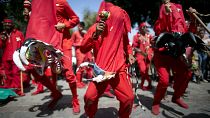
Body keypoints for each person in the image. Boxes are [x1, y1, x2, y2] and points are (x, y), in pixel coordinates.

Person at [80, 1, 135, 118]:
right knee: (89, 97)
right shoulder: (95, 28)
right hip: (101, 70)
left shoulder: (120, 29)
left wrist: (129, 53)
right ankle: (90, 115)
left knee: (128, 98)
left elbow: (126, 43)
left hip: (119, 68)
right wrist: (95, 34)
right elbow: (83, 48)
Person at [152, 0, 193, 115]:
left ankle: (176, 96)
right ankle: (156, 102)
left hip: (174, 54)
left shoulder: (180, 15)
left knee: (187, 73)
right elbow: (160, 30)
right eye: (165, 2)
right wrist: (165, 15)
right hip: (162, 55)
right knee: (164, 80)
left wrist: (193, 19)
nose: (169, 4)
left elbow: (187, 32)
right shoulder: (159, 21)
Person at [55, 0, 80, 114]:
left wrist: (65, 25)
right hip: (48, 43)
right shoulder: (42, 4)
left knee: (69, 74)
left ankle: (75, 100)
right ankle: (55, 94)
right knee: (43, 72)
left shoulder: (62, 2)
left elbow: (75, 19)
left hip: (64, 43)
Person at [0, 18, 25, 96]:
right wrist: (2, 40)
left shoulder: (19, 33)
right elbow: (0, 46)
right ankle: (9, 90)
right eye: (6, 23)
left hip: (16, 57)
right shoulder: (2, 34)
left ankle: (18, 90)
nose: (7, 25)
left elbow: (23, 45)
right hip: (6, 57)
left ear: (12, 24)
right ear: (4, 25)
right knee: (8, 74)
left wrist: (23, 56)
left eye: (9, 23)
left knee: (16, 73)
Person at [132, 22, 153, 91]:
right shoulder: (136, 36)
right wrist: (141, 52)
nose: (145, 28)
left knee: (146, 72)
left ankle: (144, 84)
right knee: (143, 70)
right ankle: (148, 83)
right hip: (140, 56)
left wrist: (152, 52)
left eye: (146, 27)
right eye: (143, 27)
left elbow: (153, 45)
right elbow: (134, 47)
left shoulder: (149, 36)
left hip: (148, 57)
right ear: (140, 28)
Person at [71, 22, 87, 88]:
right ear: (78, 26)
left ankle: (80, 81)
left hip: (84, 52)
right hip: (78, 52)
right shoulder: (75, 33)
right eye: (80, 26)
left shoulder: (84, 33)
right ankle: (77, 83)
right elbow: (71, 43)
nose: (81, 27)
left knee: (83, 67)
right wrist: (78, 44)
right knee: (79, 67)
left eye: (82, 26)